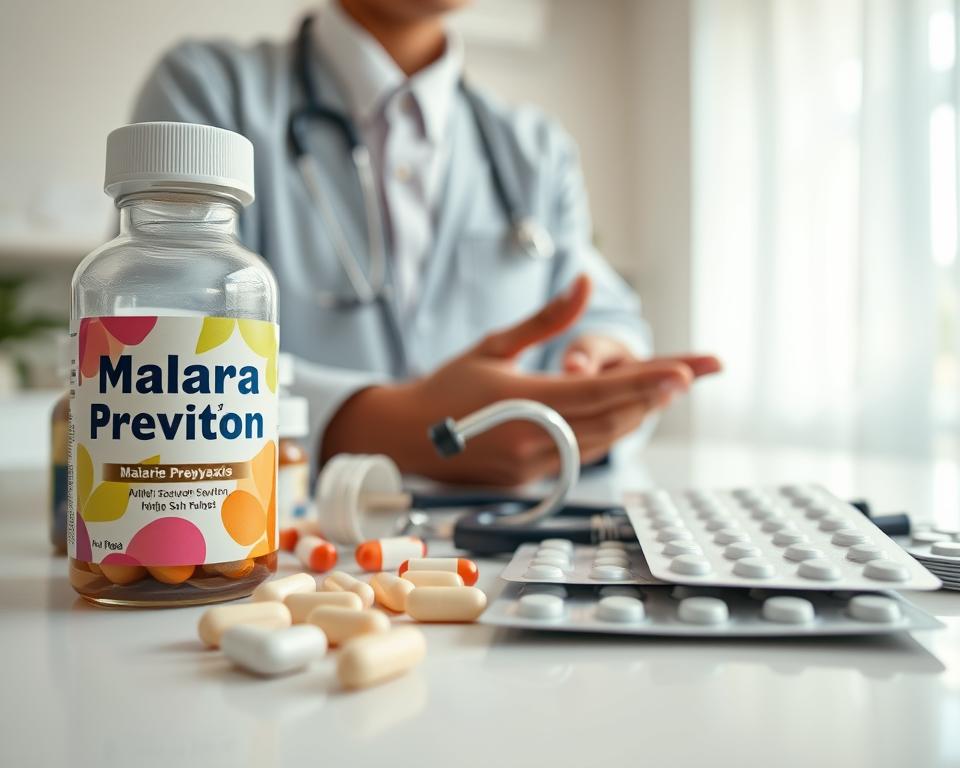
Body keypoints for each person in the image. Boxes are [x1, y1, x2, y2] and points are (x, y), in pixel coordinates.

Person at [133, 0, 720, 485]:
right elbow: (159, 351)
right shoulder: (208, 94)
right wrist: (391, 428)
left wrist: (602, 363)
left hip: (503, 558)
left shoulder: (534, 149)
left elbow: (605, 311)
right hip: (277, 543)